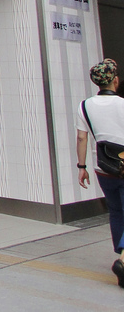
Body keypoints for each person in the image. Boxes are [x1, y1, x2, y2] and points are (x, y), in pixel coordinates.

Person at [77, 58, 124, 287]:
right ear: (115, 80)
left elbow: (82, 137)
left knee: (115, 211)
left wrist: (82, 167)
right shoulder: (123, 104)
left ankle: (120, 251)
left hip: (103, 168)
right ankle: (123, 259)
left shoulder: (84, 105)